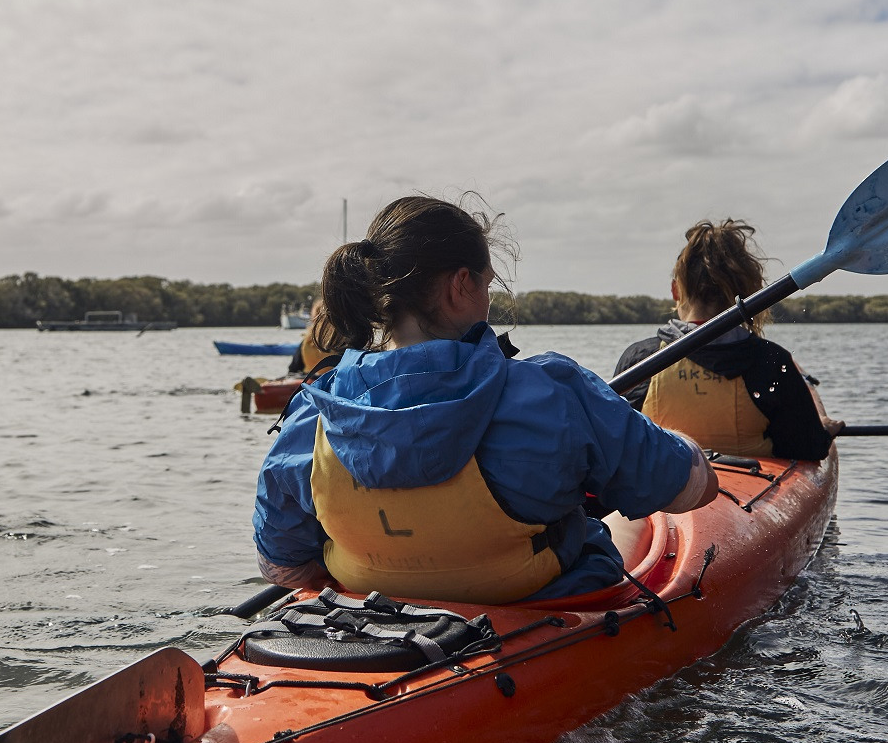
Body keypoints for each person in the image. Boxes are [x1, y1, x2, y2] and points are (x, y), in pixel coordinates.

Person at [254, 196, 718, 605]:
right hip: (540, 610)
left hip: (375, 621)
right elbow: (690, 488)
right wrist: (677, 441)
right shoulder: (552, 393)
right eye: (487, 283)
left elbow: (281, 566)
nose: (489, 298)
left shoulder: (311, 415)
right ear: (460, 285)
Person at [615, 220, 841, 460]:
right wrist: (823, 430)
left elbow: (614, 442)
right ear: (750, 293)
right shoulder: (770, 363)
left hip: (666, 490)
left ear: (676, 291)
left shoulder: (640, 360)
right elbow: (808, 448)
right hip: (754, 486)